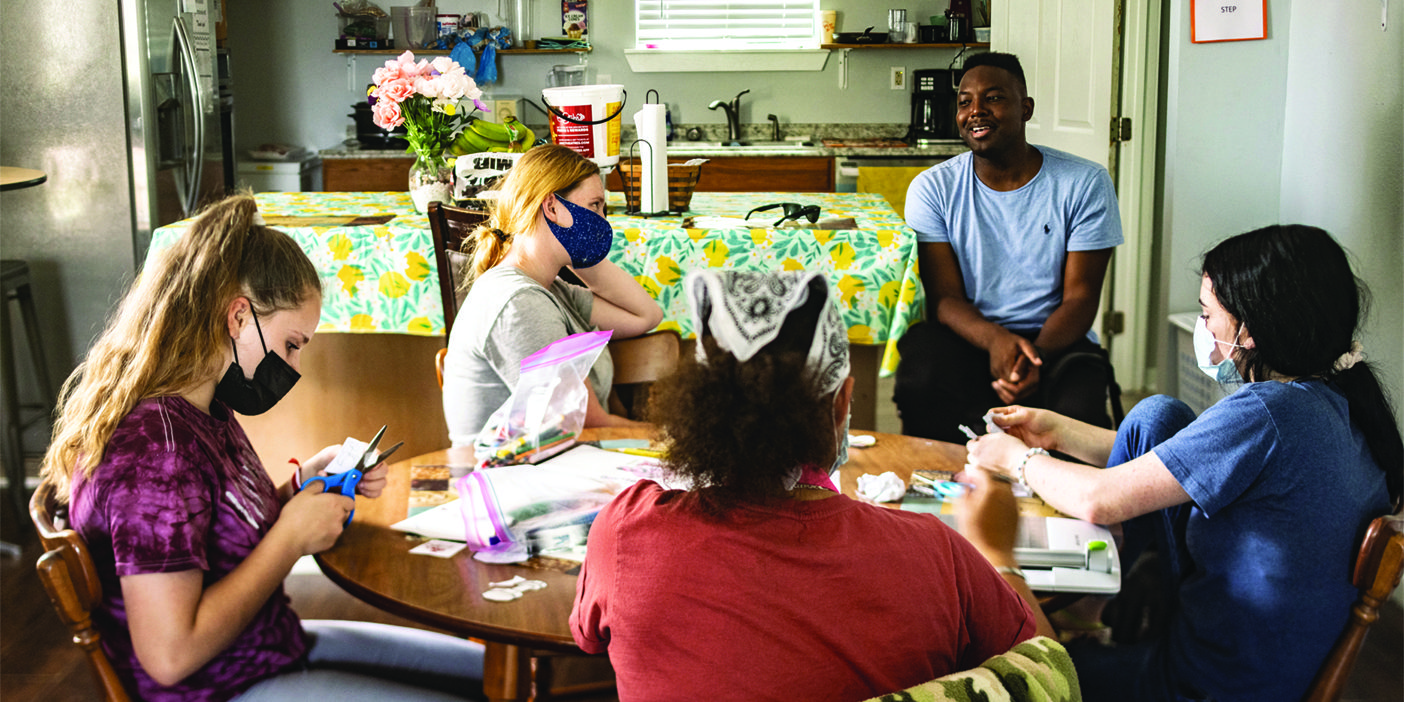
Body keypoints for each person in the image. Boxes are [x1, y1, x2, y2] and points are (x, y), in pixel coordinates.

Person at [39, 194, 486, 701]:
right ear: (237, 318)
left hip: (269, 646)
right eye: (292, 344)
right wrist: (289, 539)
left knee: (491, 675)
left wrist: (299, 488)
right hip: (215, 688)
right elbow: (170, 656)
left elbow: (213, 532)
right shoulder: (154, 455)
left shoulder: (203, 405)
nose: (293, 367)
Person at [570, 269, 1055, 701]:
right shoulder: (935, 554)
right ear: (842, 402)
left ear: (697, 404)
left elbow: (588, 640)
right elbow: (1049, 675)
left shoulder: (627, 529)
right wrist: (999, 556)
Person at [965, 224, 1402, 701]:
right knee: (1159, 416)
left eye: (1207, 313)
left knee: (999, 663)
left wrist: (1019, 459)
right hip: (1266, 667)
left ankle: (1085, 608)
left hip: (1206, 686)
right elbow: (1184, 459)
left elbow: (1099, 501)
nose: (1204, 328)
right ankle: (1099, 603)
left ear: (1250, 330)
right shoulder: (1335, 397)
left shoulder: (1268, 413)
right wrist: (1055, 430)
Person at [895, 51, 1123, 444]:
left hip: (1056, 342)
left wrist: (1032, 358)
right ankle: (942, 491)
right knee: (922, 370)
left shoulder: (1084, 183)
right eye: (965, 101)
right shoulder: (933, 189)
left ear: (1026, 108)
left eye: (994, 98)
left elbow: (1082, 298)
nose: (976, 111)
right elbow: (945, 298)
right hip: (972, 337)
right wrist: (996, 342)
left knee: (1079, 419)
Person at [441, 144, 663, 446]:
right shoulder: (519, 302)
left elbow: (645, 317)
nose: (602, 220)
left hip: (554, 464)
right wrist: (672, 438)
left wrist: (583, 254)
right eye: (595, 206)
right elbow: (586, 424)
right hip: (509, 481)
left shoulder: (550, 288)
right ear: (552, 207)